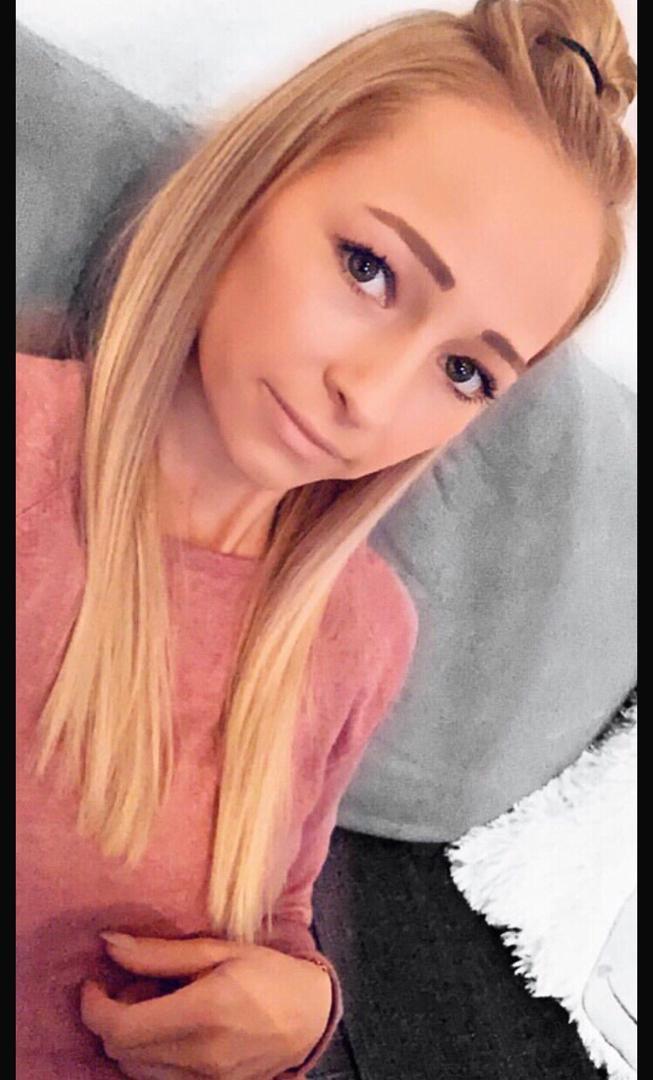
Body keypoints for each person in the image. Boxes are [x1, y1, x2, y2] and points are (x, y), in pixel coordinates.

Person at [16, 1, 636, 1077]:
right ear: (256, 177)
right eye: (368, 268)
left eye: (463, 372)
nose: (370, 396)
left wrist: (304, 1015)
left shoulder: (363, 629)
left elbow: (276, 913)